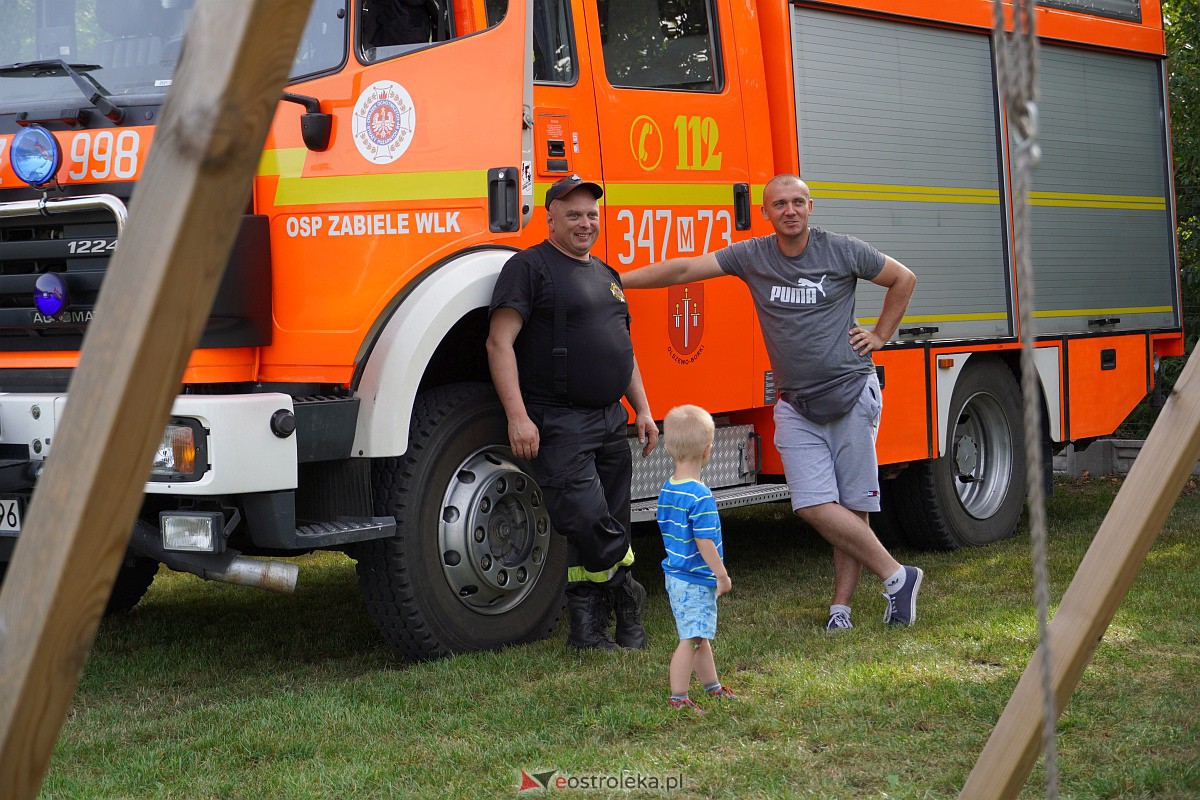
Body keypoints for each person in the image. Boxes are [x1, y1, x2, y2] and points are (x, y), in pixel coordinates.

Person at [622, 174, 923, 630]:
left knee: (852, 506)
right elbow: (684, 270)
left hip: (850, 394)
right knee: (811, 504)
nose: (790, 210)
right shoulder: (753, 255)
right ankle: (899, 576)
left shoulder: (841, 249)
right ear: (765, 212)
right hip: (796, 403)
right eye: (779, 203)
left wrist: (881, 334)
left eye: (798, 202)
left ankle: (840, 609)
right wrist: (615, 279)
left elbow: (903, 278)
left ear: (810, 207)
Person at [487, 174, 658, 651]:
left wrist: (642, 408)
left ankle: (588, 630)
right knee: (587, 517)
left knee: (608, 523)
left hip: (610, 419)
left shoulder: (607, 275)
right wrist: (518, 416)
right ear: (551, 219)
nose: (585, 224)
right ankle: (628, 593)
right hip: (558, 421)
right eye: (574, 215)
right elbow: (499, 342)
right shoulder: (529, 268)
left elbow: (622, 349)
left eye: (591, 215)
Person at [658, 405, 735, 715]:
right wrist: (721, 575)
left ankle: (712, 685)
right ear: (708, 450)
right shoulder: (699, 496)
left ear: (667, 447)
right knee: (691, 638)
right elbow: (704, 542)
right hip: (695, 578)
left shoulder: (667, 488)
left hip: (676, 575)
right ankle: (678, 697)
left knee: (699, 633)